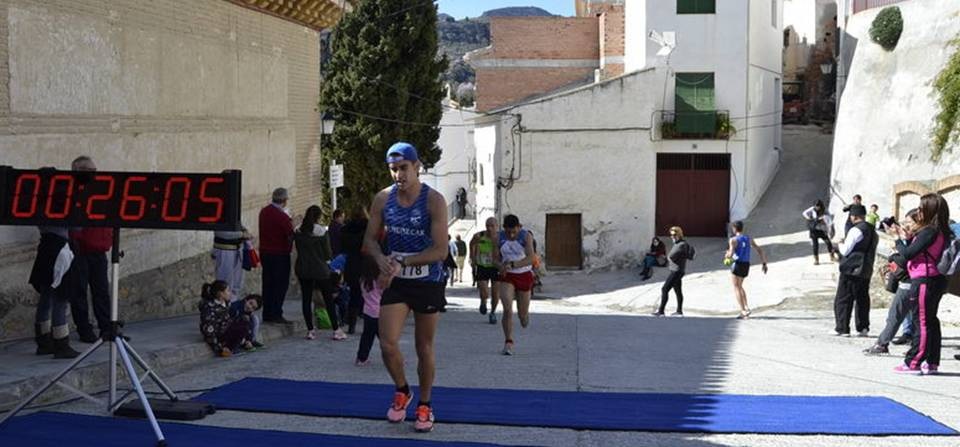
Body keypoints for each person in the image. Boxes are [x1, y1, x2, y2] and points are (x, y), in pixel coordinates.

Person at [365, 142, 448, 433]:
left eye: (403, 168)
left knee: (423, 346)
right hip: (397, 280)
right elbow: (369, 241)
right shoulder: (382, 199)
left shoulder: (433, 201)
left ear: (417, 167)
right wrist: (381, 259)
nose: (398, 174)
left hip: (427, 280)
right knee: (387, 343)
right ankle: (402, 390)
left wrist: (404, 260)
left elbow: (440, 250)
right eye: (393, 169)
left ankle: (425, 405)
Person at [893, 194, 952, 375]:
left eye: (921, 208)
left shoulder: (929, 231)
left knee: (922, 321)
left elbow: (908, 254)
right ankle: (932, 362)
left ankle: (914, 362)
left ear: (929, 210)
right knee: (931, 320)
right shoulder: (941, 230)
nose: (918, 211)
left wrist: (898, 240)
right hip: (935, 279)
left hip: (924, 279)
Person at [65, 156, 113, 343]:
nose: (94, 173)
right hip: (80, 249)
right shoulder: (72, 191)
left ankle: (106, 328)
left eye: (94, 170)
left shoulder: (100, 190)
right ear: (78, 171)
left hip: (99, 249)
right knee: (79, 292)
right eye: (89, 170)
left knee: (101, 291)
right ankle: (84, 330)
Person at [864, 209, 920, 355]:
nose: (905, 225)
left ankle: (882, 344)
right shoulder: (915, 238)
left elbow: (904, 258)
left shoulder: (920, 238)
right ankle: (917, 347)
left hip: (910, 282)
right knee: (916, 317)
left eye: (909, 222)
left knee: (896, 315)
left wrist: (896, 246)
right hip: (912, 282)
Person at [28, 226, 80, 358]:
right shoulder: (60, 213)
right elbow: (77, 226)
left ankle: (43, 341)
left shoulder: (42, 214)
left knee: (46, 298)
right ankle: (61, 343)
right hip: (59, 248)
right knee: (60, 299)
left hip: (45, 246)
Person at [294, 205, 344, 341]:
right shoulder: (321, 232)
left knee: (306, 299)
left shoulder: (298, 230)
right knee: (328, 299)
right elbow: (327, 253)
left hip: (303, 268)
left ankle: (310, 330)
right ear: (318, 217)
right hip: (320, 269)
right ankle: (336, 330)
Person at [493, 214, 535, 355]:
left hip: (524, 274)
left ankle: (524, 316)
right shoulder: (498, 237)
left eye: (514, 232)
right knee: (507, 309)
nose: (511, 235)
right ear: (504, 229)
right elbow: (494, 258)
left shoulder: (526, 236)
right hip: (507, 276)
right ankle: (508, 342)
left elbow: (531, 258)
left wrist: (514, 264)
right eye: (508, 232)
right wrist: (500, 266)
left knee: (522, 316)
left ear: (519, 227)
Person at [212, 223, 261, 347]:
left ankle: (250, 340)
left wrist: (244, 232)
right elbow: (222, 231)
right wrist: (242, 234)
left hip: (238, 250)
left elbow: (239, 225)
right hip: (225, 250)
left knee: (236, 286)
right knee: (224, 286)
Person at [833, 204, 878, 337]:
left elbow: (845, 250)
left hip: (851, 269)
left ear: (853, 216)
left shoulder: (855, 230)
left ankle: (842, 328)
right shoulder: (873, 231)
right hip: (866, 269)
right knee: (862, 299)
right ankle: (863, 328)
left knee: (844, 298)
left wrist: (839, 243)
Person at [259, 188, 295, 324]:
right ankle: (276, 313)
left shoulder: (264, 212)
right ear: (284, 201)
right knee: (280, 285)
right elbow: (290, 234)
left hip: (265, 252)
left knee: (268, 283)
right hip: (280, 253)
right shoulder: (283, 217)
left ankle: (267, 313)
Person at [355, 253, 395, 366]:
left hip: (368, 311)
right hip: (380, 312)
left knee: (367, 337)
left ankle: (361, 358)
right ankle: (393, 357)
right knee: (386, 338)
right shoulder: (379, 281)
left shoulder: (363, 280)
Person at [724, 221, 769, 319]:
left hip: (737, 264)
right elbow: (759, 250)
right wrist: (764, 263)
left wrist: (727, 255)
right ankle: (746, 307)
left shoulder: (733, 240)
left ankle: (743, 311)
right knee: (740, 286)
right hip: (746, 265)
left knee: (736, 287)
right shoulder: (749, 238)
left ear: (734, 228)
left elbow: (730, 254)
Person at [199, 280, 252, 357]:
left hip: (226, 330)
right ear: (220, 293)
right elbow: (208, 331)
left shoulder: (226, 303)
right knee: (241, 327)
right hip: (218, 335)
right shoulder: (210, 308)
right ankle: (227, 348)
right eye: (227, 290)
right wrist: (219, 348)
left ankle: (245, 342)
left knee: (245, 320)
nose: (230, 293)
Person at [341, 206, 370, 334]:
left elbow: (343, 246)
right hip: (366, 264)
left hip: (352, 264)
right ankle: (369, 326)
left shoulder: (346, 229)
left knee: (354, 295)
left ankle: (351, 325)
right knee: (369, 296)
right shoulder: (368, 228)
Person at [653, 227, 693, 317]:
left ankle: (661, 311)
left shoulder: (681, 244)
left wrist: (670, 257)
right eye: (671, 235)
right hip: (676, 270)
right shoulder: (678, 243)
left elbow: (672, 256)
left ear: (679, 234)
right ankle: (679, 311)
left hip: (676, 271)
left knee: (665, 289)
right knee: (678, 291)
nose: (672, 237)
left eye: (674, 235)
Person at [471, 217, 501, 324]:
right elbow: (471, 244)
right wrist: (473, 258)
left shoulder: (500, 238)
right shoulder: (479, 236)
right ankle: (483, 301)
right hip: (482, 266)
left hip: (496, 267)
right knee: (484, 292)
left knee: (495, 293)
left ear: (497, 226)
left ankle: (492, 312)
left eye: (492, 226)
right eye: (488, 226)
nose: (489, 228)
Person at [802, 200, 838, 265]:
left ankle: (832, 257)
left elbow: (829, 221)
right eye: (815, 206)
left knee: (828, 242)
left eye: (818, 206)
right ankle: (816, 260)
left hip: (822, 229)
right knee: (815, 245)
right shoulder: (812, 209)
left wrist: (830, 230)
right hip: (814, 230)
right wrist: (809, 218)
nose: (816, 208)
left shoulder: (825, 211)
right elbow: (804, 213)